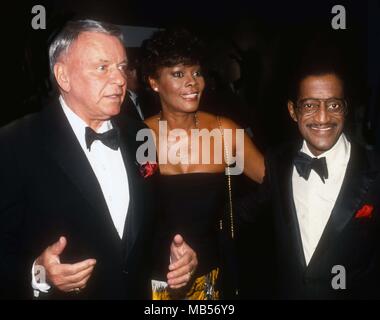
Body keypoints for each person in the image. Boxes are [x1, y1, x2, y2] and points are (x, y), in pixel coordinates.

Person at [0, 19, 197, 300]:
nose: (120, 79)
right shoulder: (14, 143)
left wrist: (173, 252)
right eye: (103, 68)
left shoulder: (139, 134)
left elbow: (153, 219)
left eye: (121, 67)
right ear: (63, 76)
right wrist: (39, 272)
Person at [239, 59, 380, 299]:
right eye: (310, 106)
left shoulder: (375, 169)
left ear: (346, 108)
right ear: (293, 111)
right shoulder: (278, 160)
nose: (323, 117)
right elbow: (244, 213)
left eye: (334, 105)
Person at [140, 28, 265, 300]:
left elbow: (276, 183)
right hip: (153, 279)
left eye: (196, 73)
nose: (192, 83)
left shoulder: (224, 131)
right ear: (154, 82)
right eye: (178, 74)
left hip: (209, 277)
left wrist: (243, 214)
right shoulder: (138, 137)